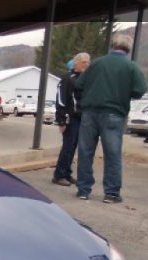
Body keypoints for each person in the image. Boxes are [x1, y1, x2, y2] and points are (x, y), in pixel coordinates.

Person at [74, 34, 147, 203]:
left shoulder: (96, 63)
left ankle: (83, 190)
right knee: (112, 154)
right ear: (128, 49)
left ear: (113, 45)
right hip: (114, 114)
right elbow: (139, 90)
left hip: (89, 112)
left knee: (85, 152)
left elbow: (79, 84)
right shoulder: (131, 67)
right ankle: (111, 193)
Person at [52, 52, 91, 186]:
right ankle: (58, 175)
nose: (87, 64)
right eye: (84, 62)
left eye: (88, 62)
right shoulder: (68, 78)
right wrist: (61, 120)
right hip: (70, 117)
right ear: (76, 63)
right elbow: (61, 99)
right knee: (67, 146)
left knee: (74, 147)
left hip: (82, 118)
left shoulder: (86, 79)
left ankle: (67, 173)